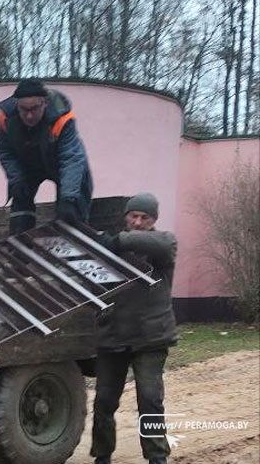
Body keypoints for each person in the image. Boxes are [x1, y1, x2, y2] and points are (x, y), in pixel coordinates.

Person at [90, 193, 177, 464]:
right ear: (126, 216)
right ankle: (102, 456)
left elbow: (160, 244)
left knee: (150, 402)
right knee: (104, 402)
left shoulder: (164, 243)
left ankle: (157, 458)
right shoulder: (110, 248)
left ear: (154, 221)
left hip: (150, 339)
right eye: (133, 216)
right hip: (113, 336)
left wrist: (114, 240)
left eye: (145, 217)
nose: (138, 222)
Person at [0, 79, 93, 234]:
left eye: (34, 109)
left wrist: (68, 197)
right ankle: (20, 245)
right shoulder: (6, 118)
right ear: (16, 105)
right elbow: (6, 151)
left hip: (61, 164)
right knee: (20, 198)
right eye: (23, 109)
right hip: (27, 165)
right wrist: (16, 178)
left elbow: (71, 158)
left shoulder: (62, 118)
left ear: (45, 103)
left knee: (72, 208)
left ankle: (73, 244)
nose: (28, 116)